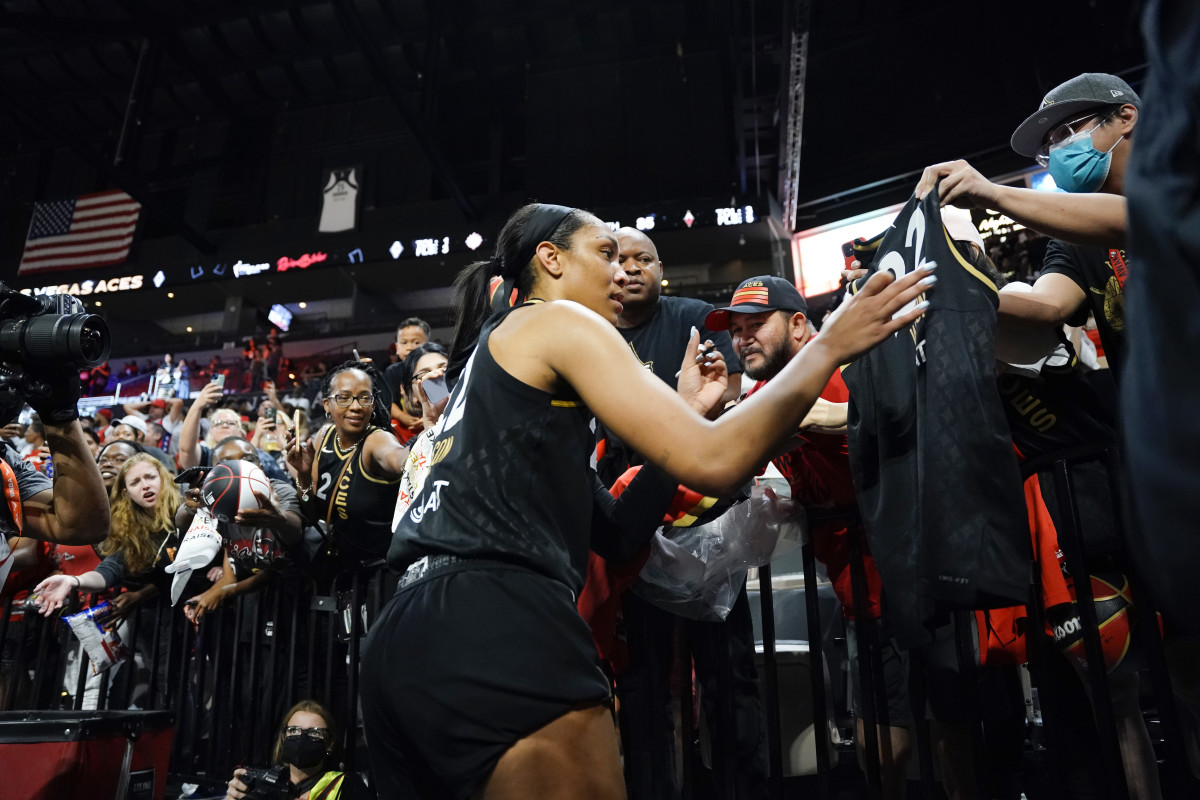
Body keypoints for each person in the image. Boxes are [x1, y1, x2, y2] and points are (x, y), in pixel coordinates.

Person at [359, 202, 930, 798]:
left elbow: (619, 533)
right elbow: (714, 459)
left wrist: (684, 412)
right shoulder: (556, 321)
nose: (621, 272)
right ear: (550, 260)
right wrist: (827, 345)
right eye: (604, 253)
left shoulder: (495, 374)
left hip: (404, 636)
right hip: (496, 617)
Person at [708, 275, 908, 797]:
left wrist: (839, 419)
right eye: (735, 329)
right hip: (861, 595)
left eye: (756, 325)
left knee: (936, 740)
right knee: (880, 747)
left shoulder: (847, 369)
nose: (742, 338)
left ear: (799, 324)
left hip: (913, 584)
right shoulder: (776, 394)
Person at [914, 72, 1138, 380]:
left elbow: (1134, 219)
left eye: (1066, 132)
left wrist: (993, 194)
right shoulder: (1074, 242)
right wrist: (946, 291)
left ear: (1125, 117)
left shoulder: (1185, 182)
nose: (1057, 151)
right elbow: (1047, 306)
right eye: (1049, 147)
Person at [286, 361, 409, 566]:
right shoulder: (324, 436)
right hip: (345, 566)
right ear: (327, 404)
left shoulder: (377, 440)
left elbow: (399, 458)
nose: (355, 406)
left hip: (383, 568)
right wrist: (304, 475)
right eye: (344, 398)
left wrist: (420, 449)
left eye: (364, 398)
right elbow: (313, 513)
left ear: (374, 404)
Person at [224, 700, 371, 799]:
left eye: (314, 733)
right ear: (283, 738)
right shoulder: (266, 784)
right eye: (294, 731)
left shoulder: (346, 785)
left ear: (330, 744)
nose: (302, 738)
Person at [383, 317, 432, 440]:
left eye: (416, 342)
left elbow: (440, 401)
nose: (409, 347)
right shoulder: (392, 371)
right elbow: (390, 403)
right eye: (404, 343)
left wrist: (429, 417)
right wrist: (402, 417)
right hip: (402, 424)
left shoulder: (432, 370)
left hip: (431, 420)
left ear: (428, 345)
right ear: (397, 348)